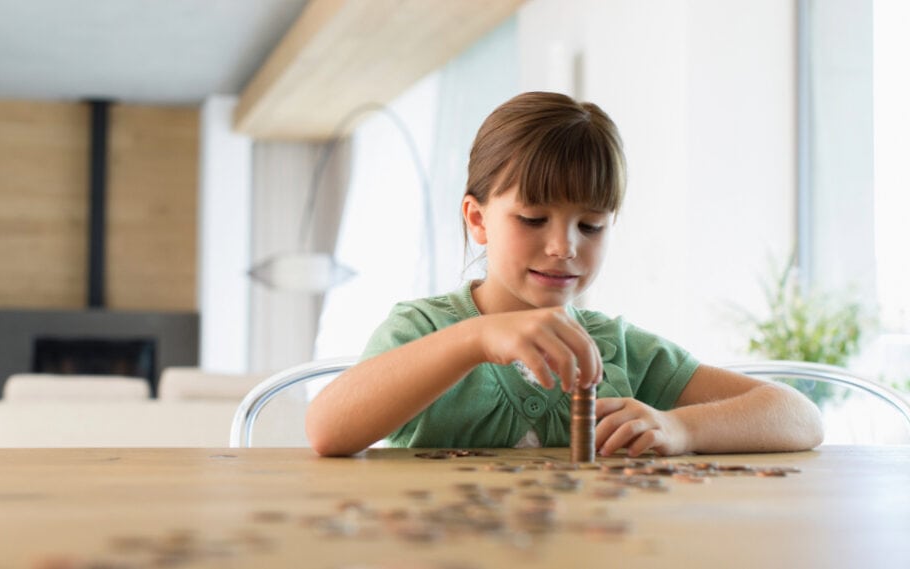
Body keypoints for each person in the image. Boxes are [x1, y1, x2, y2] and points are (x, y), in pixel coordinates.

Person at [306, 91, 824, 457]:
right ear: (478, 219)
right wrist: (478, 338)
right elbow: (327, 430)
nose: (563, 247)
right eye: (533, 219)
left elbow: (798, 415)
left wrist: (678, 427)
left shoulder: (622, 350)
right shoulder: (422, 330)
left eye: (592, 226)